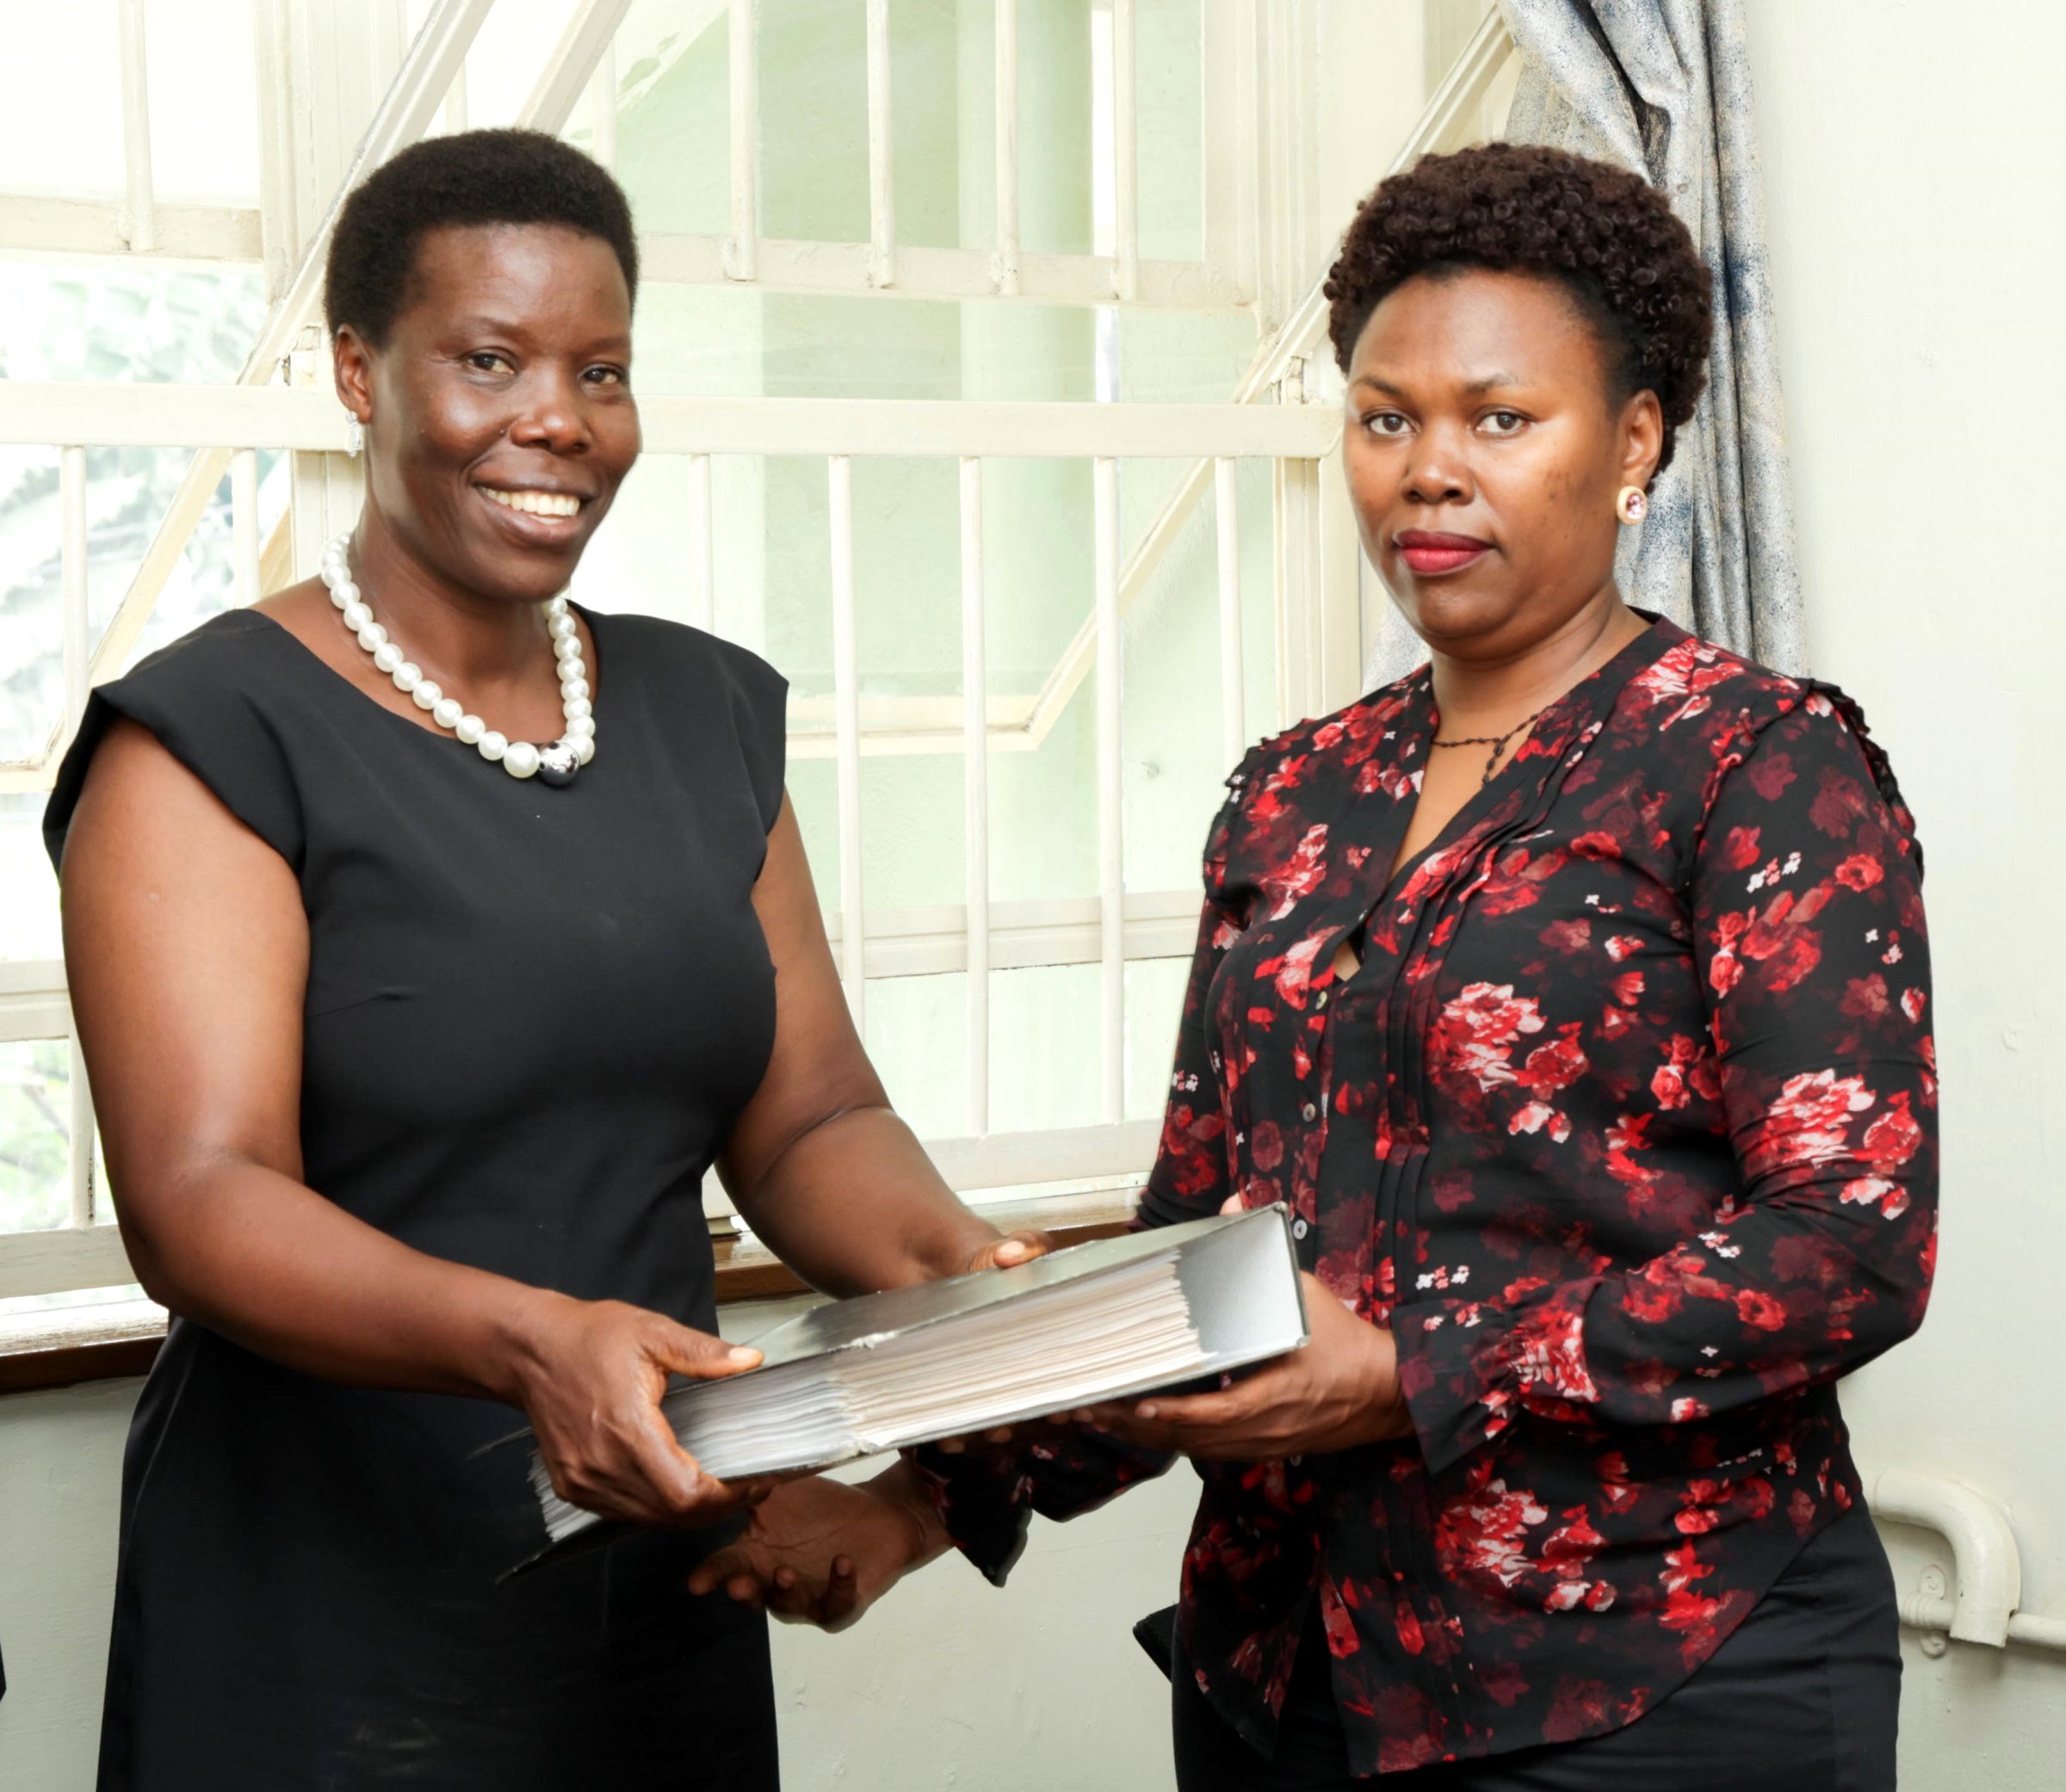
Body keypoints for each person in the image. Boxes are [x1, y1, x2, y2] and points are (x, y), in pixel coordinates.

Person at [700, 143, 1937, 1791]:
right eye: (1385, 416)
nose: (1431, 471)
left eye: (1502, 419)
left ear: (1635, 441)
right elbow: (1194, 1257)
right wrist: (926, 1502)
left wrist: (1419, 1373)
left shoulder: (1754, 765)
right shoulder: (1297, 790)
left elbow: (1850, 1248)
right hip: (1283, 1678)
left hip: (1650, 1679)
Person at [45, 127, 1039, 1792]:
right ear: (356, 372)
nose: (557, 421)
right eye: (489, 361)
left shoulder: (708, 713)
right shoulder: (211, 736)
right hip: (323, 1627)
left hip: (656, 1565)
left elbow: (805, 1122)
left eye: (601, 370)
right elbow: (199, 1196)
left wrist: (960, 1278)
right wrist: (531, 1342)